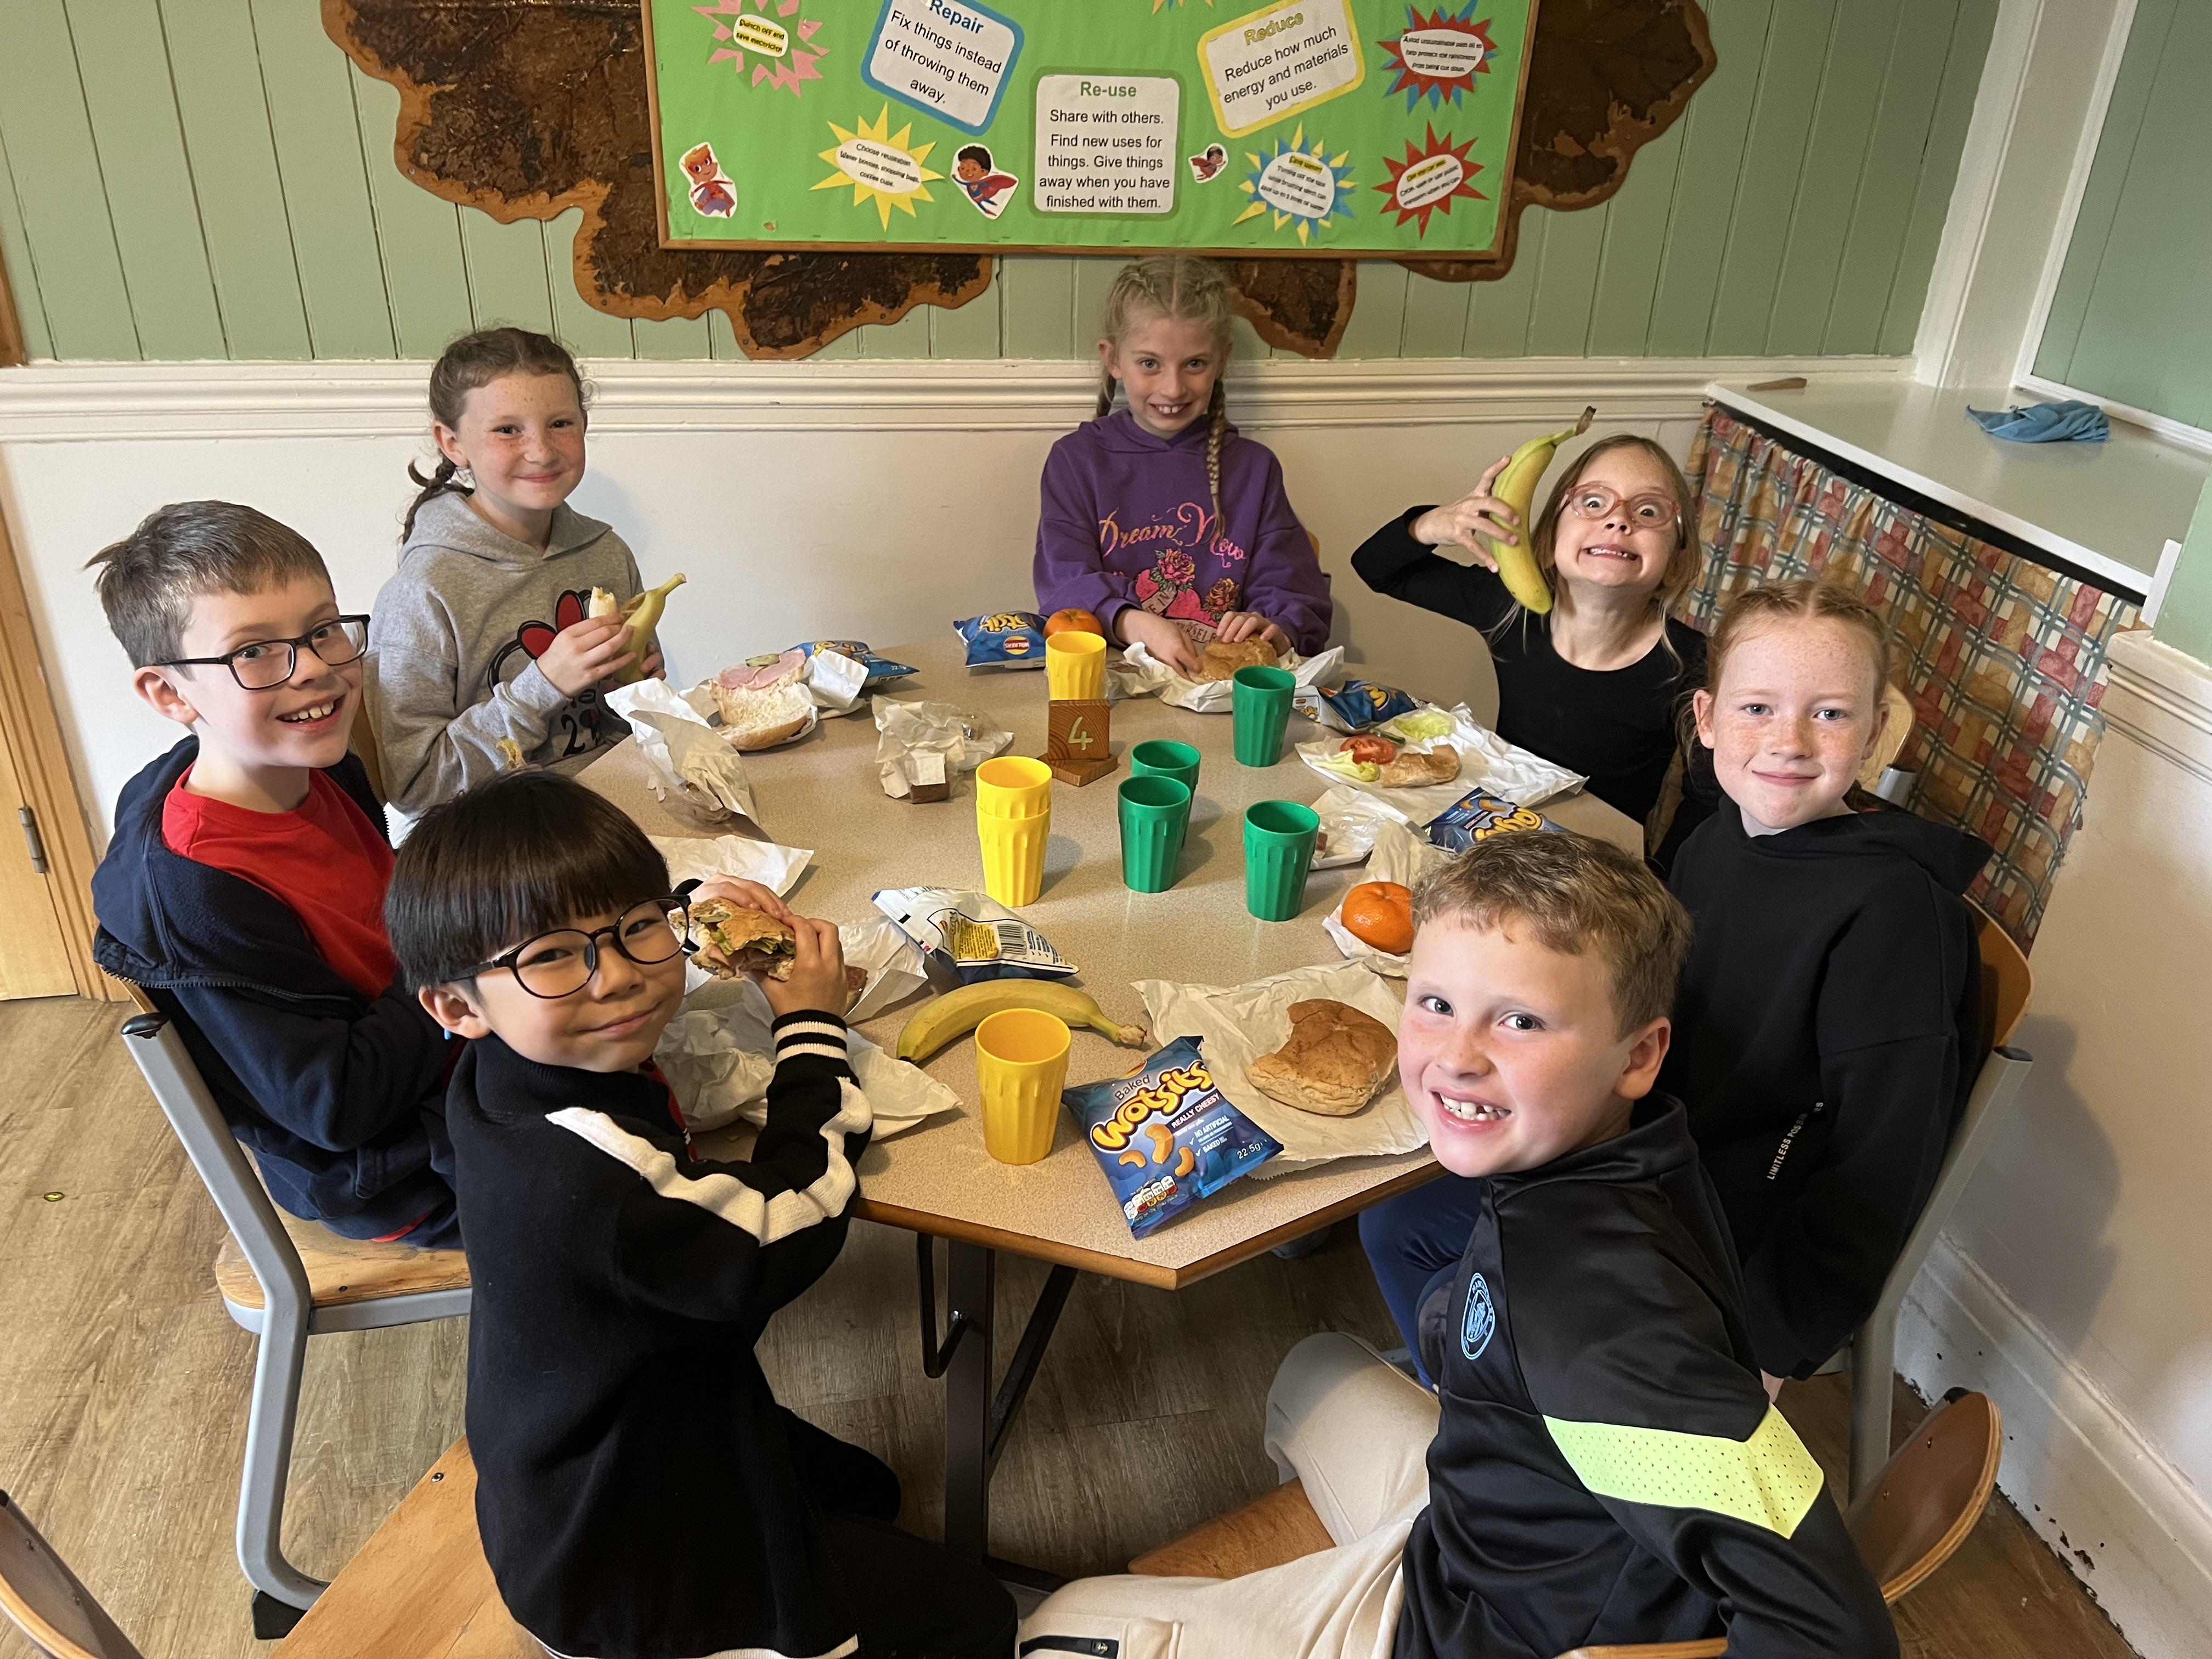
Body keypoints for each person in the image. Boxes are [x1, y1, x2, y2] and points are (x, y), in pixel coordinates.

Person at [1018, 831, 1897, 1658]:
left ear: (1638, 1056)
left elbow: (1832, 1628)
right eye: (1437, 1004)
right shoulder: (1631, 1152)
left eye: (1521, 1022)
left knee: (1056, 1628)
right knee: (1314, 1371)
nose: (1458, 1057)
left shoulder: (1598, 1323)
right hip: (1473, 1528)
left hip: (1467, 1629)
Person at [387, 772, 1015, 1659]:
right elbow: (785, 1226)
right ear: (457, 1006)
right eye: (553, 956)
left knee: (870, 1492)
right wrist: (810, 1028)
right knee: (978, 1616)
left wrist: (693, 905)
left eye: (639, 927)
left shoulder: (507, 1076)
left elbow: (600, 952)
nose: (620, 977)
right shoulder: (587, 1181)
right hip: (627, 1559)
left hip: (592, 1431)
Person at [88, 501, 458, 1246]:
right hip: (404, 1168)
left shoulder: (321, 764)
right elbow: (336, 1107)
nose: (315, 668)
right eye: (253, 651)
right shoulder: (202, 892)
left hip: (440, 1047)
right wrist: (465, 946)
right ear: (170, 694)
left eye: (322, 630)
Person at [1664, 579, 1989, 1391]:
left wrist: (1773, 1340)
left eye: (1831, 714)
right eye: (1757, 708)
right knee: (1413, 1228)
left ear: (1875, 733)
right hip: (1657, 1167)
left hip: (1747, 1249)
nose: (1790, 741)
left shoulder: (1893, 916)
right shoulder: (1712, 843)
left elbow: (1884, 1155)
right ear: (1707, 718)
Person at [368, 326, 667, 815]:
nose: (542, 451)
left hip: (614, 807)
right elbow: (415, 783)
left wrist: (633, 695)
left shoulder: (607, 554)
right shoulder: (423, 590)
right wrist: (543, 686)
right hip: (494, 834)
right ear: (452, 442)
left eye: (560, 424)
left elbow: (628, 735)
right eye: (508, 430)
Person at [1350, 433, 1706, 831]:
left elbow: (1706, 804)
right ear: (1550, 542)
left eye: (1649, 510)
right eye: (1593, 503)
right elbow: (1375, 568)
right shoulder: (1508, 609)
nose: (1619, 519)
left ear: (1676, 563)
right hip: (1498, 831)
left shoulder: (1696, 667)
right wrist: (1432, 524)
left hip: (1602, 856)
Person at [1034, 253, 1331, 674]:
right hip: (1114, 680)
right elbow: (1063, 585)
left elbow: (1298, 596)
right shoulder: (1076, 461)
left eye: (1194, 364)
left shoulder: (1254, 468)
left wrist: (1276, 628)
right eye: (1150, 364)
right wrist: (1134, 622)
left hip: (1222, 688)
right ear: (1113, 359)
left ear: (1221, 360)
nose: (1173, 389)